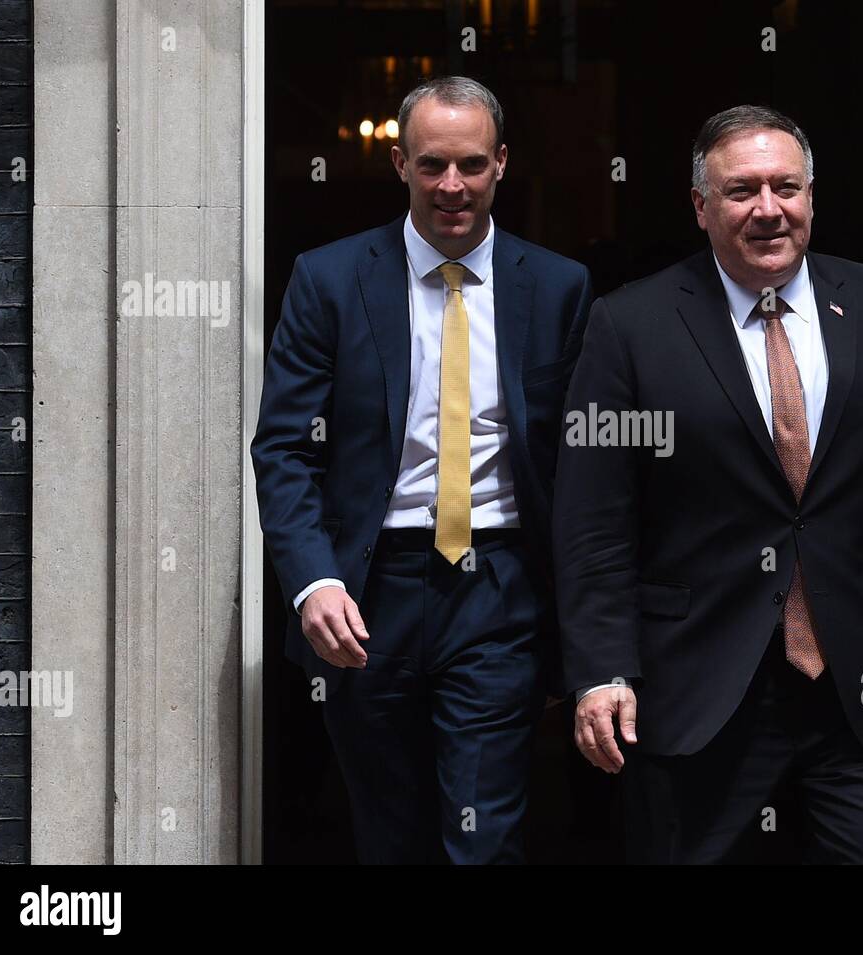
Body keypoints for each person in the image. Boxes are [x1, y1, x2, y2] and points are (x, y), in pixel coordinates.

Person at [554, 105, 863, 863]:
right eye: (741, 190)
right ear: (700, 206)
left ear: (812, 196)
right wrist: (600, 669)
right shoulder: (630, 325)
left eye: (785, 187)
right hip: (696, 685)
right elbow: (594, 521)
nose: (767, 209)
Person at [251, 76, 592, 863]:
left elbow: (583, 464)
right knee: (389, 834)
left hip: (499, 589)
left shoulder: (559, 286)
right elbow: (284, 447)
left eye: (471, 164)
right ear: (399, 162)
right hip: (370, 592)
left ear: (502, 163)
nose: (452, 186)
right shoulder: (329, 279)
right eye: (432, 164)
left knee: (485, 832)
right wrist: (313, 579)